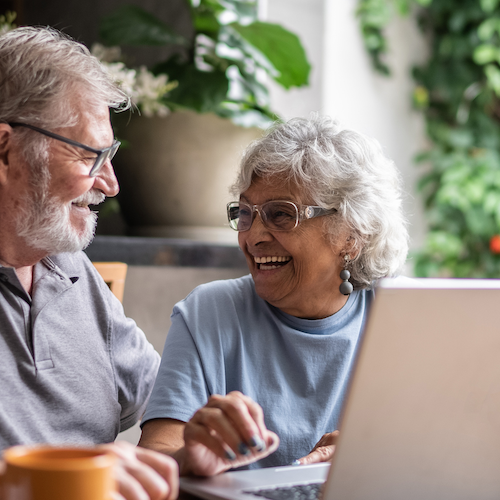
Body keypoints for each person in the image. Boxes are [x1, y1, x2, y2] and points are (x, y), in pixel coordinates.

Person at [139, 115, 409, 477]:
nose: (253, 236)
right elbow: (154, 460)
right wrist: (189, 458)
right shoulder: (208, 312)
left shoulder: (400, 318)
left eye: (281, 215)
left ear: (351, 235)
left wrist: (376, 458)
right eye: (246, 214)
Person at [0, 26, 177, 499]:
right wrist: (77, 475)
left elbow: (167, 406)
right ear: (5, 150)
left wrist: (196, 446)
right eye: (89, 154)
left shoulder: (72, 269)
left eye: (110, 155)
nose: (110, 183)